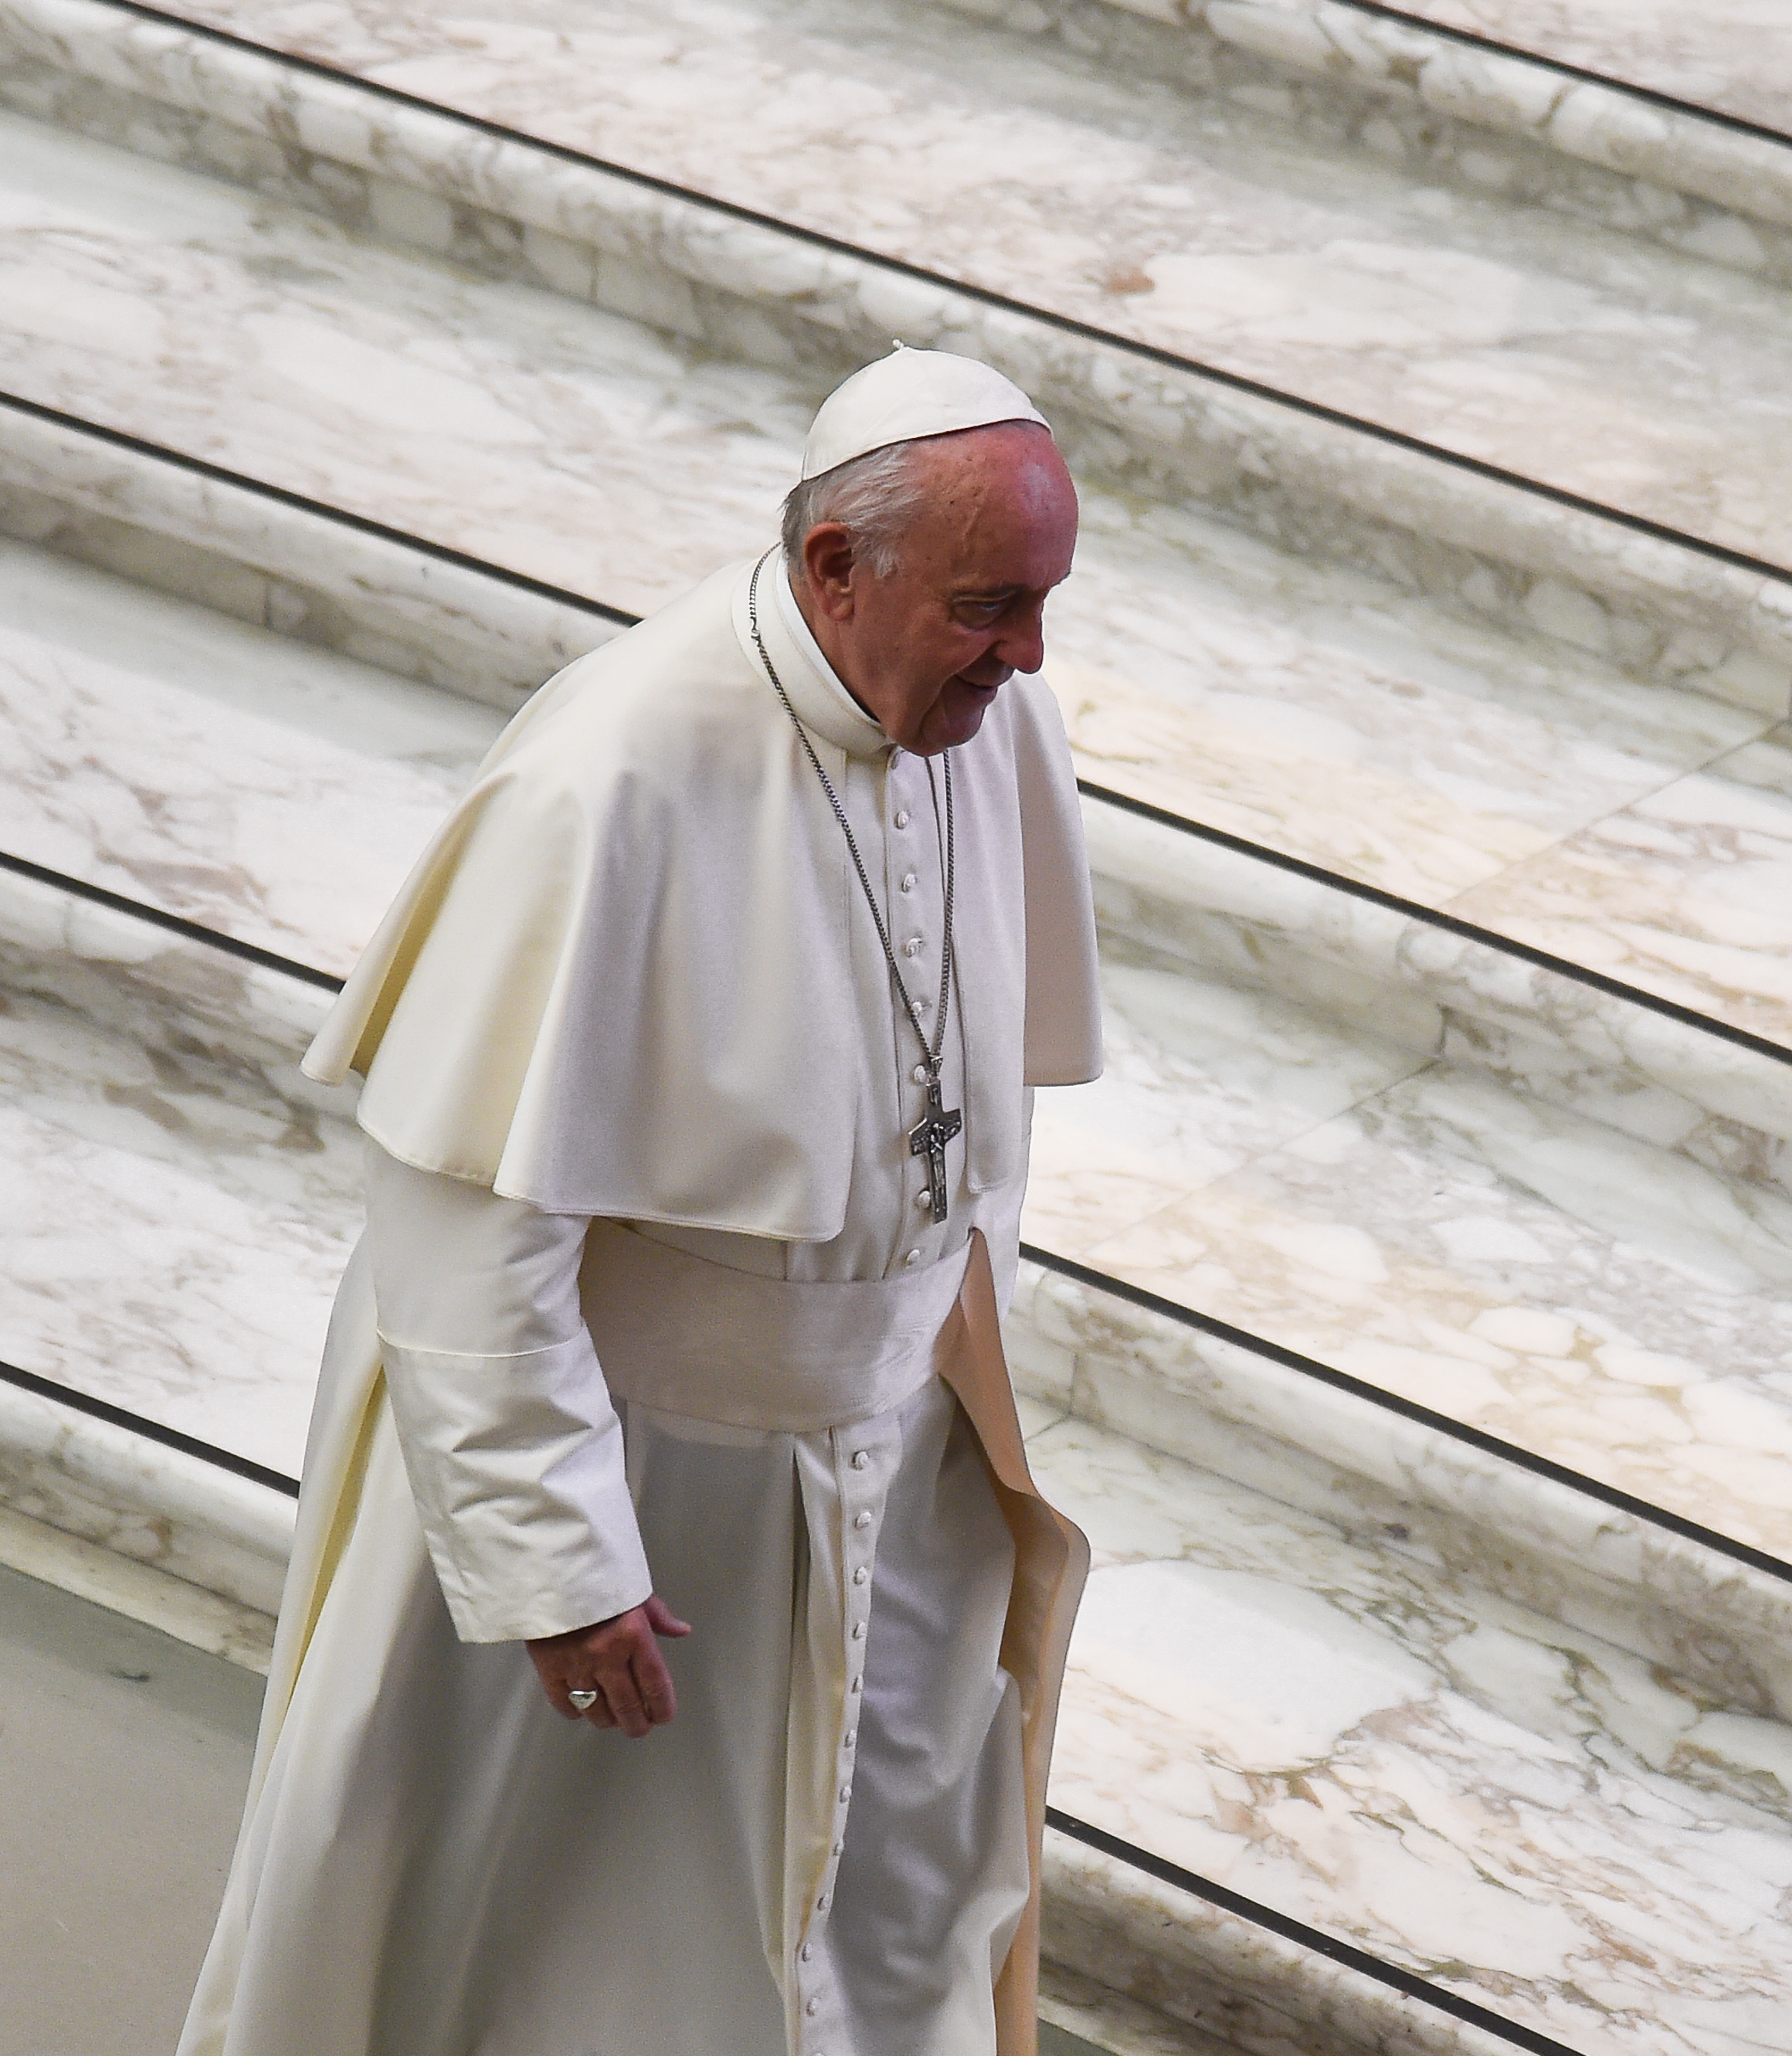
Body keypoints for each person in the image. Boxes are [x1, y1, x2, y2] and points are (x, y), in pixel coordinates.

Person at [179, 347, 1104, 2056]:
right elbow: (467, 1219)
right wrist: (558, 1559)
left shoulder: (994, 722)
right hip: (637, 1476)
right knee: (525, 1951)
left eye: (1044, 603)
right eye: (991, 605)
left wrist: (940, 1383)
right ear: (840, 567)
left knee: (881, 1905)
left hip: (882, 1464)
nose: (1031, 656)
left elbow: (970, 1105)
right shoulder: (607, 774)